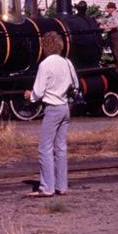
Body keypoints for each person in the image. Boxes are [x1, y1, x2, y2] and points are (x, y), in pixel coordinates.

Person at [23, 31, 78, 197]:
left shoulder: (45, 64)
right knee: (60, 148)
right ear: (60, 45)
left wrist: (29, 96)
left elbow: (38, 92)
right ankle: (62, 186)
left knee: (44, 148)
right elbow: (75, 84)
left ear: (45, 46)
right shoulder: (67, 62)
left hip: (52, 108)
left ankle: (47, 187)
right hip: (65, 108)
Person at [99, 2, 118, 74]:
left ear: (112, 8)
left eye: (108, 8)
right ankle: (117, 68)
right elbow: (101, 23)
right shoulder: (108, 16)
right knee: (113, 52)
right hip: (110, 34)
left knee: (116, 52)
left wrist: (106, 26)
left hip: (116, 34)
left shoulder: (117, 15)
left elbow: (115, 25)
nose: (107, 9)